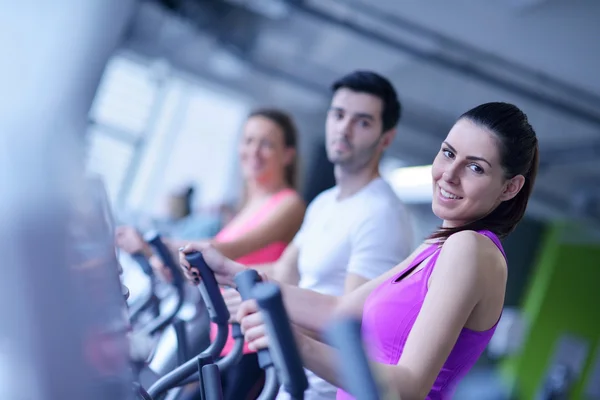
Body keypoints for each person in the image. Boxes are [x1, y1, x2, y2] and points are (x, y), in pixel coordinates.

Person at [180, 101, 540, 400]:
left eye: (475, 167)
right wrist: (229, 270)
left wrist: (295, 344)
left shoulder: (470, 249)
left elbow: (408, 387)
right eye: (448, 153)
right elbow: (338, 311)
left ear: (510, 188)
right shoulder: (437, 246)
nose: (449, 174)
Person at [186, 70, 414, 400]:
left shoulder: (381, 215)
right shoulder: (324, 203)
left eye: (362, 122)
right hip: (283, 377)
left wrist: (269, 312)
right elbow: (282, 272)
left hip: (320, 390)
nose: (344, 129)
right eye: (338, 115)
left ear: (386, 138)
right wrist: (225, 276)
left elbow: (353, 325)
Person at [116, 108, 306, 400]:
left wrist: (151, 242)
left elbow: (225, 253)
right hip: (224, 337)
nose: (254, 151)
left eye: (267, 143)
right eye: (248, 140)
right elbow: (212, 266)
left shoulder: (289, 204)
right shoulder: (244, 209)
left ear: (288, 155)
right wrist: (159, 257)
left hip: (254, 342)